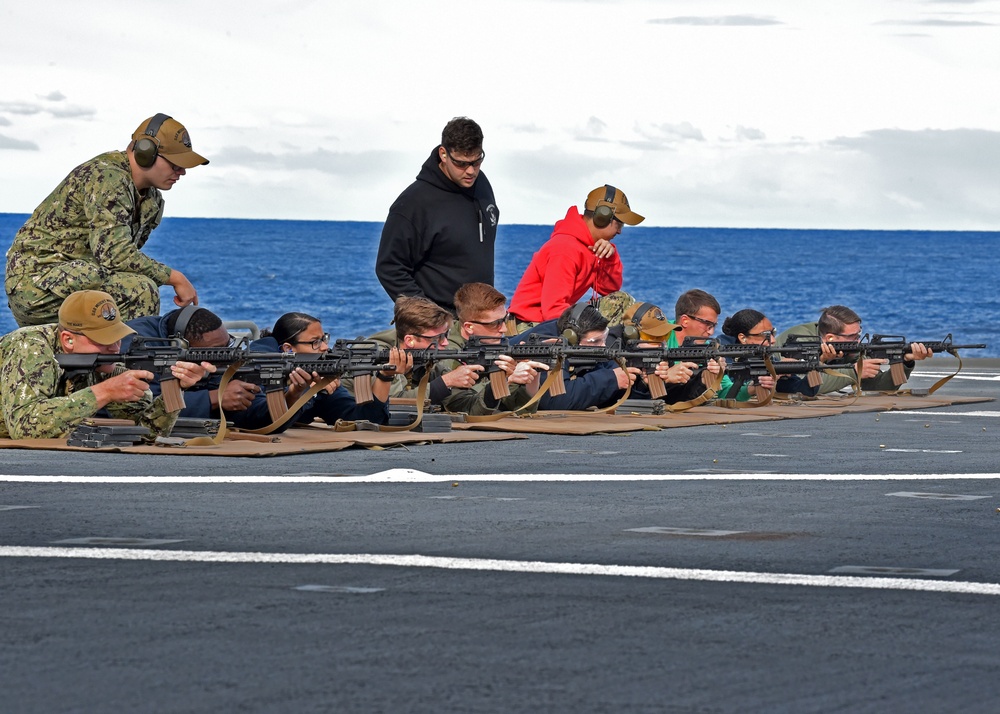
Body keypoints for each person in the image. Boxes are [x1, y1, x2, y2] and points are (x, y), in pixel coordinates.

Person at [5, 113, 208, 328]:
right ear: (145, 153)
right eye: (175, 164)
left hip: (78, 279)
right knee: (139, 290)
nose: (182, 172)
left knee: (135, 286)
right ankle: (126, 361)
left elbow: (121, 262)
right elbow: (115, 255)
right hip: (38, 285)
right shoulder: (107, 177)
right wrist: (175, 277)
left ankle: (117, 356)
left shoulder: (151, 199)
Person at [0, 290, 210, 440]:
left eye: (117, 337)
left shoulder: (107, 366)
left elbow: (146, 432)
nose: (115, 347)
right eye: (103, 339)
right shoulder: (30, 346)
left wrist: (175, 389)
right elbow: (24, 427)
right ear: (68, 340)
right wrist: (104, 392)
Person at [375, 117, 499, 314]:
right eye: (461, 163)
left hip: (481, 319)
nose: (470, 171)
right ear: (443, 154)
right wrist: (430, 315)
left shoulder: (481, 183)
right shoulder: (412, 204)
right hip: (439, 328)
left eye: (477, 161)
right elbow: (389, 268)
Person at [341, 296, 525, 416]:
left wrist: (496, 386)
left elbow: (468, 408)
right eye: (438, 338)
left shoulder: (429, 359)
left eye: (446, 334)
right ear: (410, 340)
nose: (445, 342)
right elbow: (393, 405)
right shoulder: (377, 354)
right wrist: (445, 382)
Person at [508, 185, 644, 332]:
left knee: (622, 301)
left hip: (548, 320)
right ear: (602, 217)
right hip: (529, 326)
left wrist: (609, 258)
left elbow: (609, 289)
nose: (620, 231)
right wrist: (590, 331)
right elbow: (553, 310)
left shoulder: (588, 247)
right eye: (619, 223)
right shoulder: (565, 249)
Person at [235, 312, 396, 431]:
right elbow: (262, 418)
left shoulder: (318, 371)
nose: (325, 347)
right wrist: (305, 389)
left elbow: (364, 420)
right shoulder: (258, 363)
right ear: (288, 349)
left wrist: (385, 376)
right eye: (315, 342)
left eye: (324, 339)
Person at [122, 305, 262, 419]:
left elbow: (244, 402)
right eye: (215, 353)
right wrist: (214, 398)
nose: (224, 359)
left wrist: (280, 404)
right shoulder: (137, 345)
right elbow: (139, 408)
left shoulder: (213, 352)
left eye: (228, 345)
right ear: (181, 345)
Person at [512, 303, 641, 411]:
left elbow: (617, 385)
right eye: (595, 341)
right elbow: (556, 401)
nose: (603, 346)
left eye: (604, 338)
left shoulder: (587, 345)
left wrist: (641, 385)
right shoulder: (548, 343)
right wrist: (610, 380)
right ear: (572, 338)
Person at [777, 305, 933, 394]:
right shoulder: (802, 341)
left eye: (858, 334)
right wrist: (854, 372)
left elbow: (878, 388)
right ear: (830, 337)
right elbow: (802, 387)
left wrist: (904, 361)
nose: (857, 340)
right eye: (852, 336)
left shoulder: (848, 348)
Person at [447, 282, 548, 413]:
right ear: (469, 327)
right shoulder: (449, 355)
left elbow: (520, 411)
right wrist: (507, 380)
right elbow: (469, 410)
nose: (504, 329)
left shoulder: (493, 344)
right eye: (495, 324)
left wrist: (532, 376)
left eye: (505, 319)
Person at [717, 309, 819, 400]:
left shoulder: (766, 358)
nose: (773, 340)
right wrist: (754, 384)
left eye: (772, 333)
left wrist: (817, 363)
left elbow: (804, 390)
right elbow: (727, 393)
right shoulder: (722, 353)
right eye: (765, 335)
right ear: (743, 338)